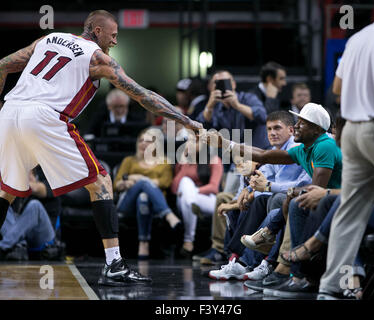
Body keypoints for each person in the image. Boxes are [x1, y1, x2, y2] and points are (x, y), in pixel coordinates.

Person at [0, 10, 202, 286]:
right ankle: (114, 264)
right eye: (114, 35)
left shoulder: (49, 38)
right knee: (101, 181)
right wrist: (185, 120)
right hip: (45, 115)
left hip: (10, 111)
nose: (116, 41)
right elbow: (143, 96)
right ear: (97, 31)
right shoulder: (97, 57)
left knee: (7, 190)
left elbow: (3, 65)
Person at [318, 0, 374, 299]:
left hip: (351, 132)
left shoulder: (357, 38)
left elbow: (337, 88)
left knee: (350, 212)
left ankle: (331, 287)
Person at [207, 111, 311, 278]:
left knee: (271, 199)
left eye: (277, 128)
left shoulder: (297, 148)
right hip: (282, 195)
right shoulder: (276, 149)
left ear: (292, 130)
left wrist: (267, 186)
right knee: (251, 200)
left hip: (295, 197)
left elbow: (303, 185)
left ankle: (253, 261)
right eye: (269, 129)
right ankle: (240, 260)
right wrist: (248, 190)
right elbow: (263, 170)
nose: (272, 133)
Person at [114, 128, 181, 259]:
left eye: (148, 141)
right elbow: (116, 184)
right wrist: (126, 183)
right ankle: (168, 214)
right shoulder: (129, 160)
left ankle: (143, 243)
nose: (143, 144)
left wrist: (134, 178)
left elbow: (165, 182)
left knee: (143, 196)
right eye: (140, 140)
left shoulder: (164, 163)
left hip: (153, 205)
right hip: (127, 204)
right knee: (144, 183)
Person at [171, 133, 223, 257]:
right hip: (185, 200)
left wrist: (192, 192)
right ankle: (189, 238)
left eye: (195, 141)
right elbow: (174, 188)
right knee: (185, 182)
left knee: (188, 197)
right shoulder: (183, 162)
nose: (190, 144)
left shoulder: (214, 160)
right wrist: (183, 162)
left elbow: (214, 187)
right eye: (189, 141)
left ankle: (188, 240)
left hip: (207, 199)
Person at [196, 69, 268, 150]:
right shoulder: (214, 106)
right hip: (233, 153)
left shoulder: (247, 98)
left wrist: (237, 105)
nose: (222, 86)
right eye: (217, 83)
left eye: (225, 82)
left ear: (233, 84)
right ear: (211, 87)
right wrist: (209, 106)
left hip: (257, 150)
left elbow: (263, 117)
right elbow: (201, 126)